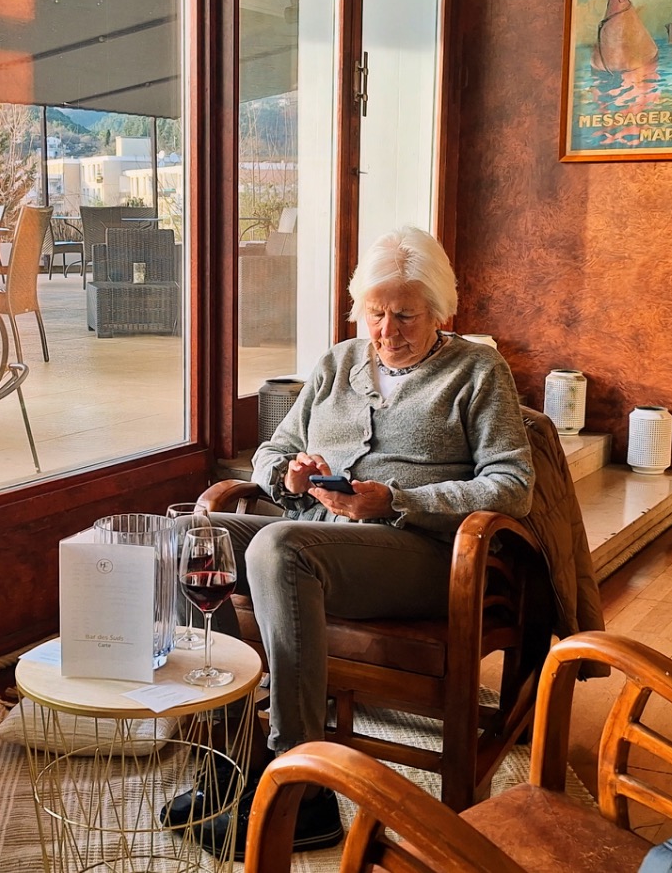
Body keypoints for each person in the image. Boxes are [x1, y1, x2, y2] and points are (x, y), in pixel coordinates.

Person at [174, 225, 534, 857]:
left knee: (279, 549)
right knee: (191, 535)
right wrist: (285, 476)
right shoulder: (338, 363)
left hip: (422, 553)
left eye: (405, 315)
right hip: (320, 535)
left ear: (440, 312)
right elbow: (273, 448)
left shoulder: (478, 370)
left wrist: (397, 499)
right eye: (375, 313)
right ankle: (232, 755)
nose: (387, 330)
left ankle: (305, 791)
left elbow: (512, 485)